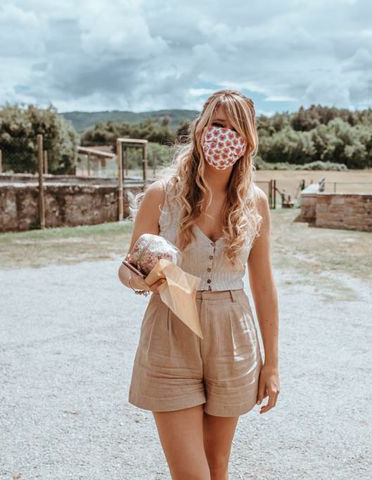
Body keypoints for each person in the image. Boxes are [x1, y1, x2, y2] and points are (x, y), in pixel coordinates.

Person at [117, 89, 280, 480]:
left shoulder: (254, 202)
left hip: (232, 333)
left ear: (248, 141)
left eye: (235, 129)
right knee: (192, 474)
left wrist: (271, 364)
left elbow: (264, 286)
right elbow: (128, 266)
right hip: (172, 324)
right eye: (217, 124)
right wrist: (140, 279)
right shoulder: (161, 195)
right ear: (200, 128)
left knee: (218, 466)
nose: (224, 136)